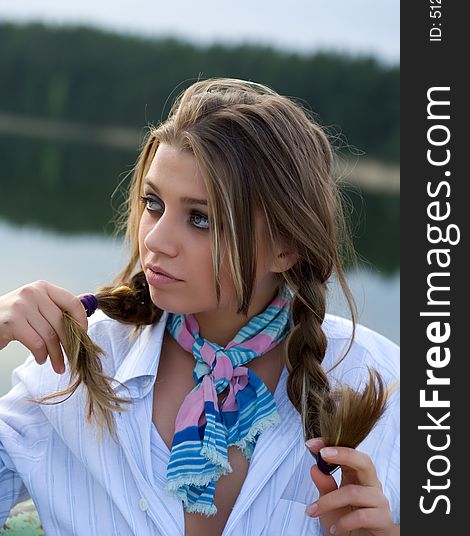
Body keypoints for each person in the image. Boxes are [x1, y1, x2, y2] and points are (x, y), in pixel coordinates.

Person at [0, 77, 399, 535]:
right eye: (153, 203)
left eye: (201, 219)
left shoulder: (382, 383)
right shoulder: (75, 362)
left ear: (286, 247)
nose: (155, 240)